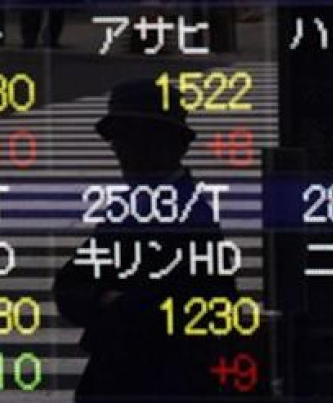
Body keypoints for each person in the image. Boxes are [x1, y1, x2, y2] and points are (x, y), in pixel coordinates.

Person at [54, 79, 240, 401]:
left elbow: (205, 309)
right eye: (119, 139)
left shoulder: (190, 217)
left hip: (162, 382)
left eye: (135, 137)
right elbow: (69, 286)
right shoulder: (132, 206)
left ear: (171, 144)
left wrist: (114, 303)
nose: (123, 151)